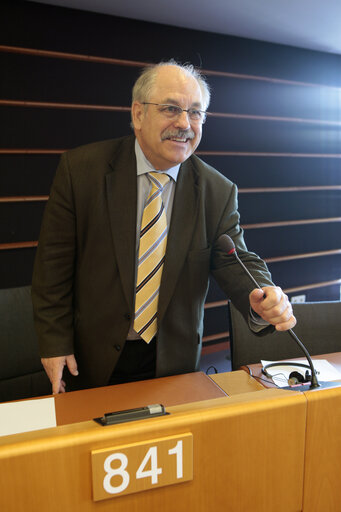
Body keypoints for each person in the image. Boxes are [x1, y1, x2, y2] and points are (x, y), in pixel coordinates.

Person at [31, 60, 296, 394]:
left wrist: (263, 296)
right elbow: (52, 267)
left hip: (173, 364)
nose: (184, 123)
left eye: (196, 112)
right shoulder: (81, 171)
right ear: (138, 114)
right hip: (89, 358)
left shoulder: (217, 190)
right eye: (171, 108)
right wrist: (54, 343)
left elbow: (234, 258)